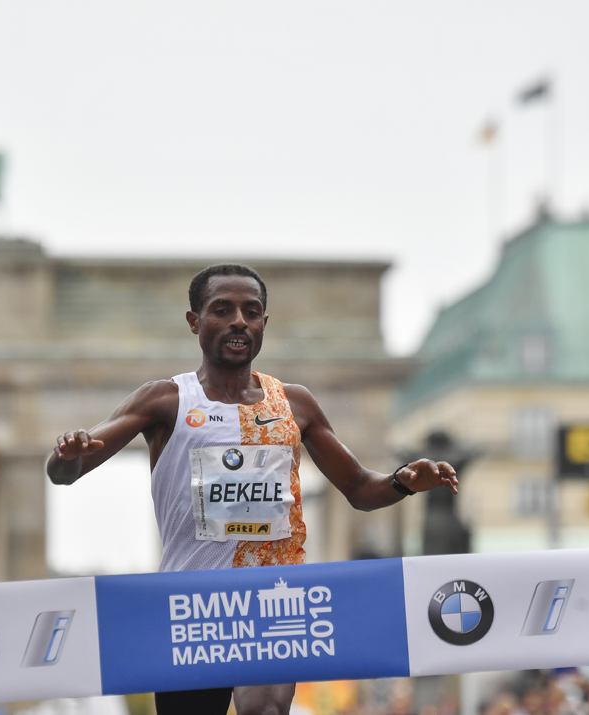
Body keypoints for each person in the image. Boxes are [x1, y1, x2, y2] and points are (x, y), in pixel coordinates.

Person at [46, 263, 458, 715]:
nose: (239, 321)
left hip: (272, 594)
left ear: (264, 323)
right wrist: (67, 456)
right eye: (222, 310)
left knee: (265, 709)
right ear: (194, 322)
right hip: (193, 607)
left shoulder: (294, 403)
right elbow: (68, 471)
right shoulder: (166, 399)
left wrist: (402, 480)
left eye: (252, 311)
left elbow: (359, 487)